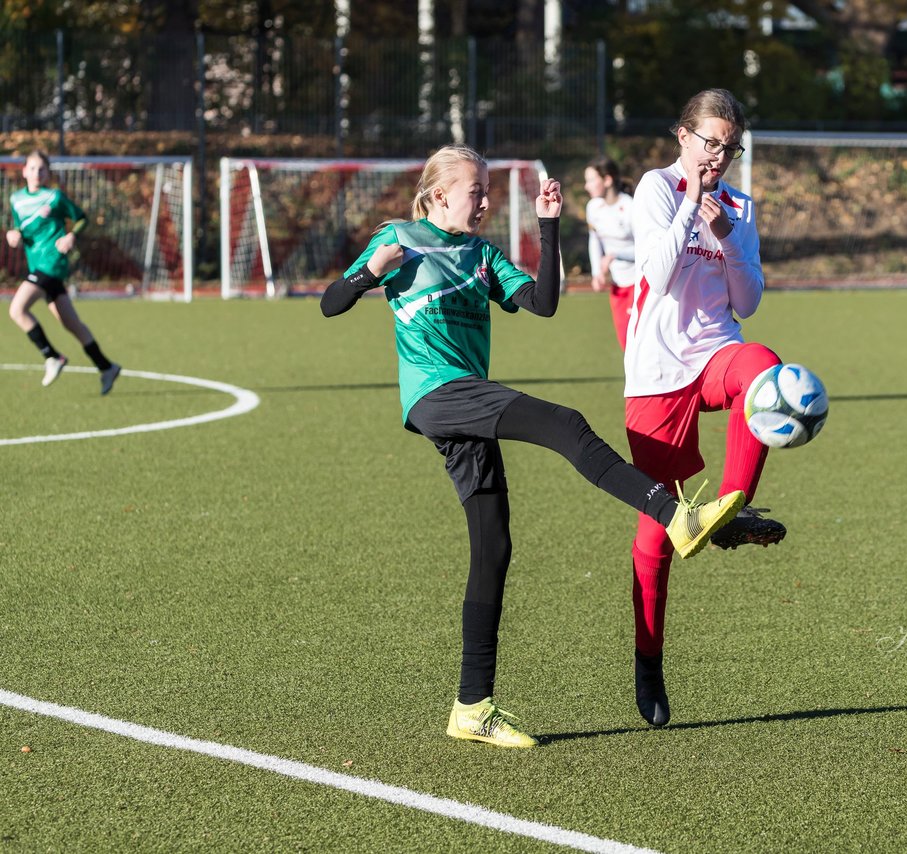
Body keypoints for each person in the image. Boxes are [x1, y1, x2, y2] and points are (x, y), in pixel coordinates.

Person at [320, 144, 744, 749]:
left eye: (488, 190)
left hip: (464, 400)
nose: (486, 201)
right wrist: (370, 271)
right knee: (566, 423)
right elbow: (331, 303)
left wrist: (549, 226)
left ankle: (472, 707)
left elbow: (543, 303)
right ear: (440, 194)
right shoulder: (400, 237)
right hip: (436, 394)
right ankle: (675, 515)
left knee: (494, 547)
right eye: (476, 191)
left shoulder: (483, 254)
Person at [623, 88, 788, 728]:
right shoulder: (656, 188)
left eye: (729, 147)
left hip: (717, 352)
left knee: (765, 369)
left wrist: (731, 240)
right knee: (655, 531)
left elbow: (746, 303)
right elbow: (656, 277)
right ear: (683, 137)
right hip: (657, 372)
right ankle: (649, 659)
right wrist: (692, 208)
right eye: (709, 142)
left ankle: (729, 509)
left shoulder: (740, 205)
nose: (718, 157)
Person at [7, 150, 122, 394]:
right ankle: (107, 367)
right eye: (33, 168)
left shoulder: (54, 197)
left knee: (17, 309)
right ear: (24, 171)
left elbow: (81, 218)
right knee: (72, 324)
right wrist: (13, 236)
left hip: (52, 263)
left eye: (42, 169)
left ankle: (52, 357)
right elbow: (21, 229)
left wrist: (71, 236)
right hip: (36, 264)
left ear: (48, 173)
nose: (37, 173)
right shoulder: (16, 199)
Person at [583, 156, 636, 349]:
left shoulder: (630, 207)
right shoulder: (593, 207)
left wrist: (615, 255)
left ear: (607, 180)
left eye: (591, 180)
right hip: (618, 286)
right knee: (625, 343)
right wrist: (597, 271)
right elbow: (594, 239)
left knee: (638, 344)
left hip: (640, 284)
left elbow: (648, 250)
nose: (586, 186)